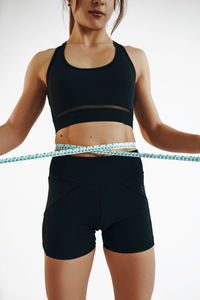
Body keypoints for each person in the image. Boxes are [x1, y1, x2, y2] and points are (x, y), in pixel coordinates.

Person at [2, 0, 177, 299]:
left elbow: (155, 131)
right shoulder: (44, 62)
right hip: (69, 190)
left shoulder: (134, 58)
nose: (100, 1)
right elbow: (14, 130)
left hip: (126, 190)